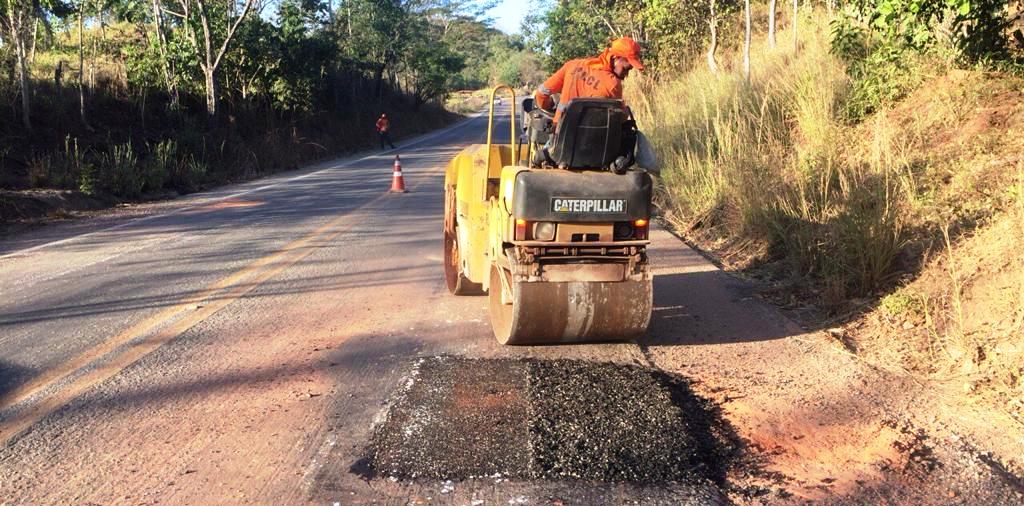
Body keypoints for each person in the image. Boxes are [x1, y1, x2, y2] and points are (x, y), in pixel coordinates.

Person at [533, 36, 645, 126]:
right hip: (597, 147)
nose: (626, 75)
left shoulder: (572, 66)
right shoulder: (613, 84)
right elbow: (620, 119)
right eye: (626, 69)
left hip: (561, 140)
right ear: (615, 58)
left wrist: (549, 107)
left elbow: (541, 93)